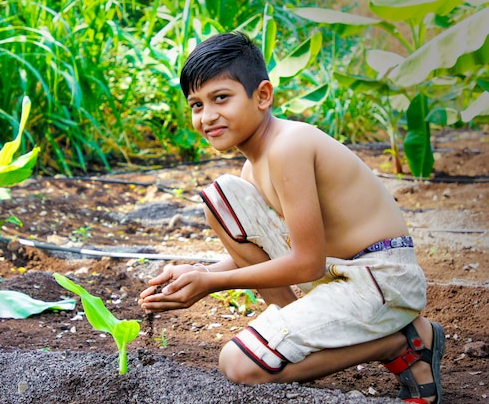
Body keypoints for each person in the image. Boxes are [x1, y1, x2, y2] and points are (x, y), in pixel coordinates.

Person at [138, 31, 444, 404]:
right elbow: (277, 250)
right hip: (339, 274)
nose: (207, 116)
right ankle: (289, 339)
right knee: (222, 197)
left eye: (221, 98)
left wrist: (212, 286)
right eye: (196, 105)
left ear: (263, 95)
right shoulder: (253, 169)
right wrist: (199, 273)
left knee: (238, 365)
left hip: (381, 280)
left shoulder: (289, 146)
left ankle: (402, 342)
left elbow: (306, 263)